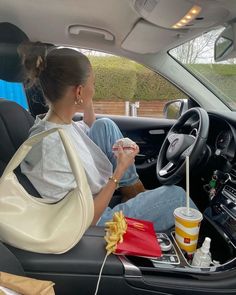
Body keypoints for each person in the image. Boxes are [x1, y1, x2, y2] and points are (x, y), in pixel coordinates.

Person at [19, 42, 196, 232]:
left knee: (104, 125)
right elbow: (87, 218)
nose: (94, 90)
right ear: (78, 91)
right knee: (178, 197)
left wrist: (84, 101)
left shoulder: (59, 124)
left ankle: (135, 194)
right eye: (92, 85)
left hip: (91, 198)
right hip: (94, 223)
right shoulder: (51, 148)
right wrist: (119, 170)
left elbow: (90, 127)